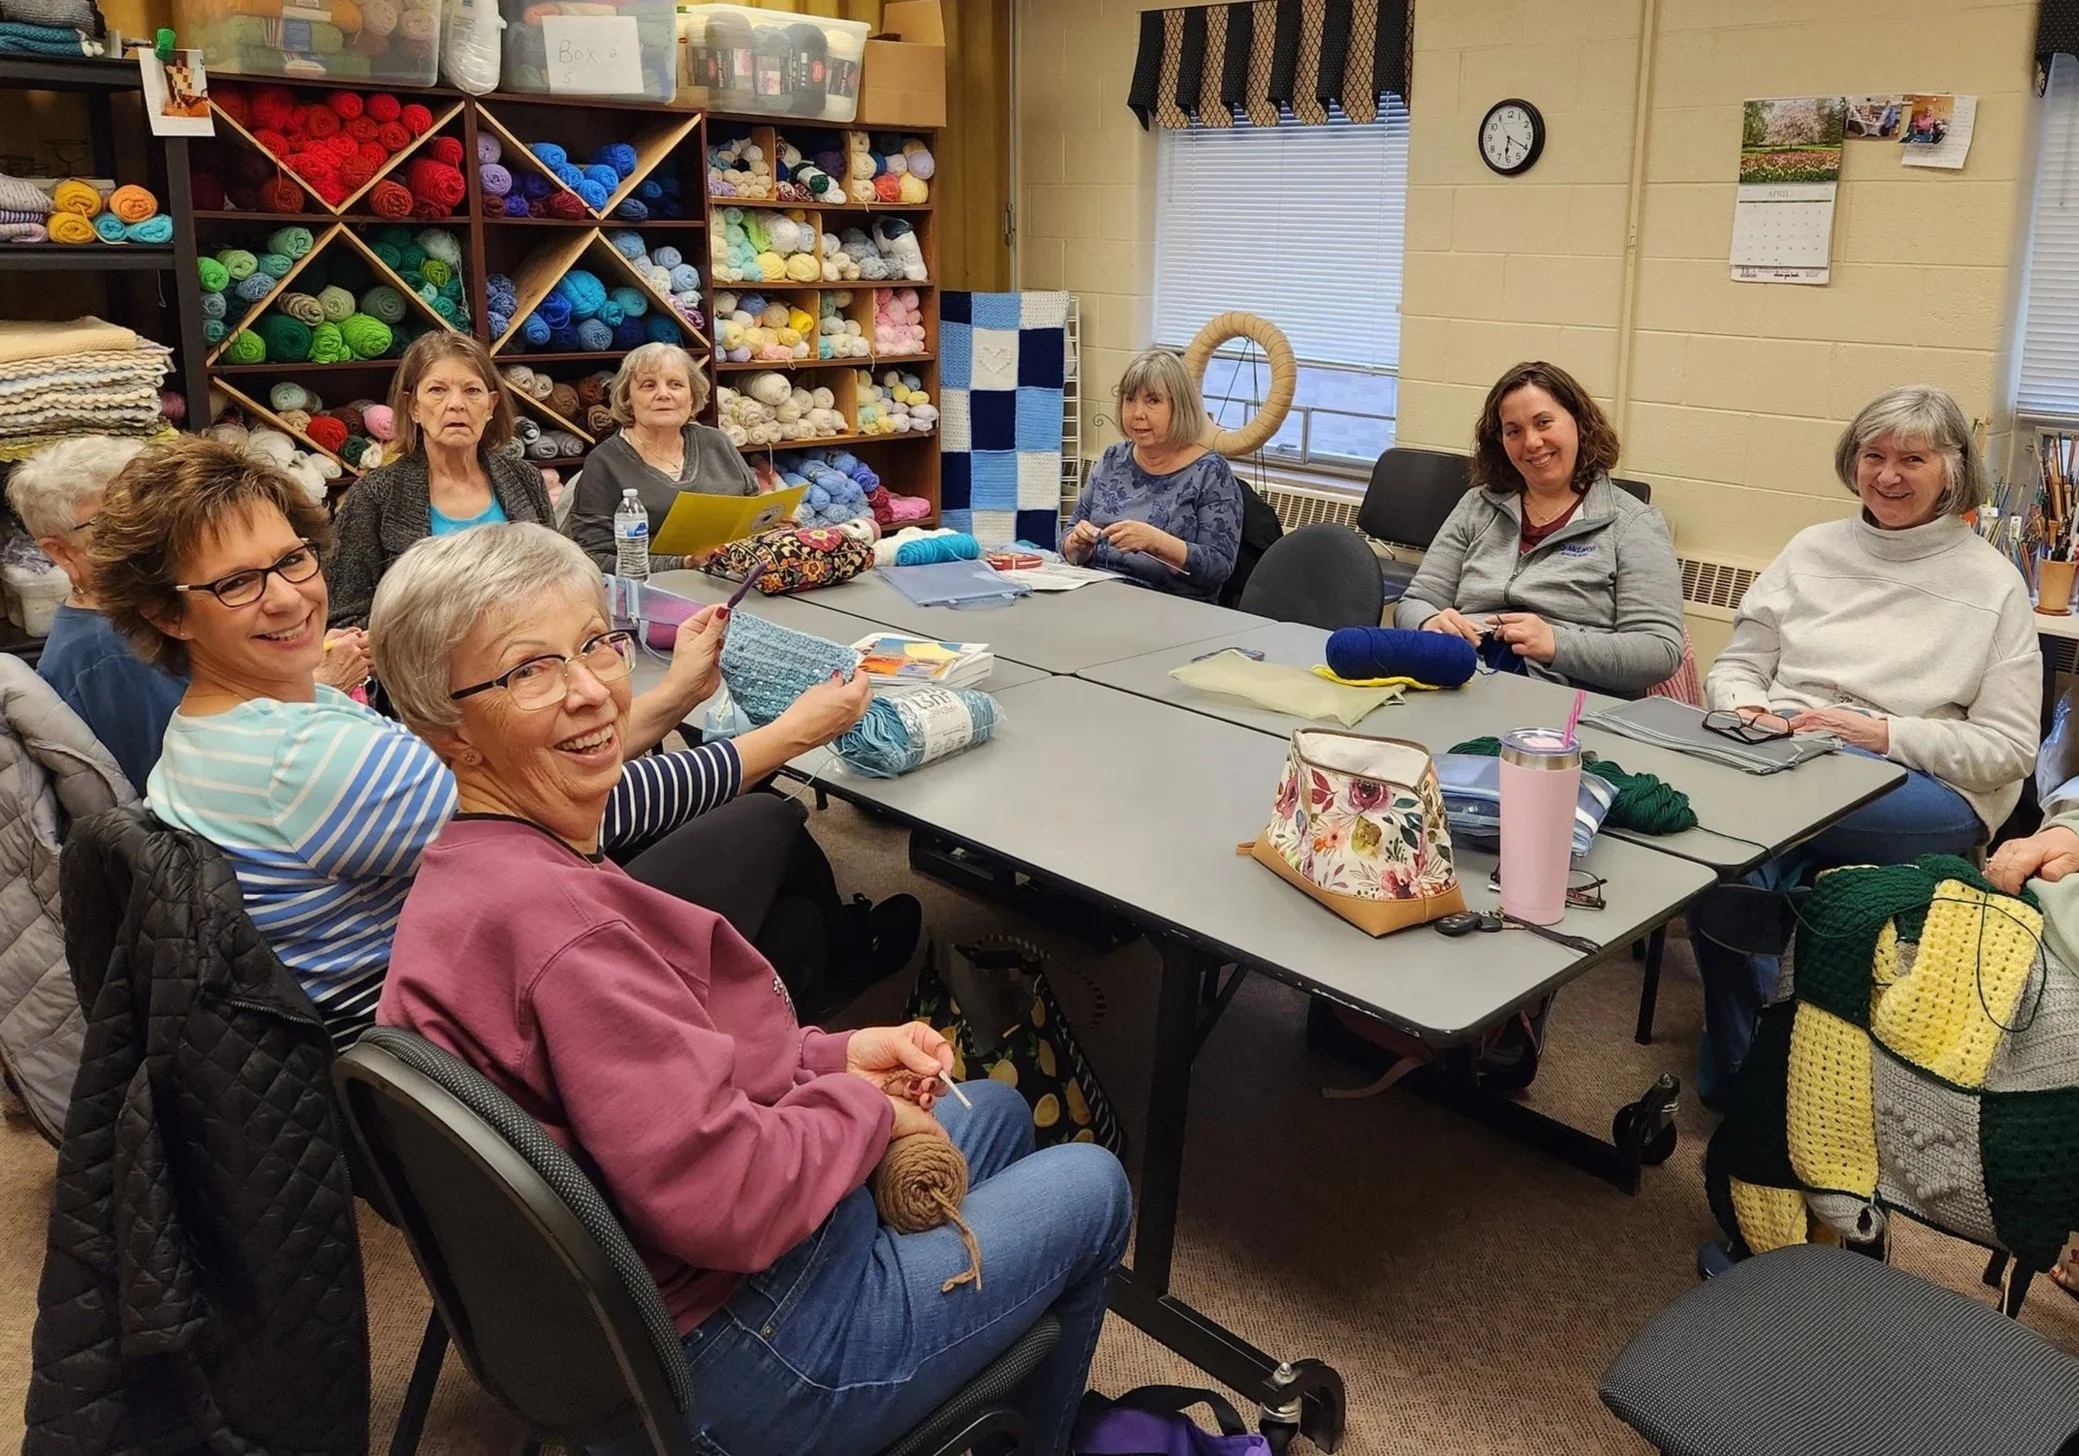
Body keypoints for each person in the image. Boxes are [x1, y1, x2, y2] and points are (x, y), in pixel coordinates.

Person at [371, 522, 1132, 1456]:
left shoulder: (477, 870)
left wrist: (832, 1054)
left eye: (593, 644)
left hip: (652, 1297)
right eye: (528, 670)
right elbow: (725, 1197)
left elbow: (663, 1074)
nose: (590, 689)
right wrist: (860, 1104)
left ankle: (958, 1358)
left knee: (998, 1120)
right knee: (1093, 1184)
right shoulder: (566, 934)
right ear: (446, 727)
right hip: (743, 1354)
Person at [88, 437, 905, 1044]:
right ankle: (821, 977)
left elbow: (515, 782)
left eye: (293, 559)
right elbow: (566, 811)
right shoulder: (310, 758)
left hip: (416, 973)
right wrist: (791, 735)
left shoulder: (217, 726)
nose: (287, 598)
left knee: (780, 896)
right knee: (765, 821)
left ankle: (823, 957)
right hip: (460, 1019)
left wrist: (673, 700)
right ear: (165, 612)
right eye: (236, 582)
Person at [1692, 385, 2040, 1103]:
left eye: (1911, 458)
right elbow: (1736, 665)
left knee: (1731, 832)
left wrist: (1880, 732)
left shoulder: (1994, 586)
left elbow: (2008, 752)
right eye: (1871, 455)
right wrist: (1749, 709)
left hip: (1919, 788)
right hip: (1782, 756)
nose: (1886, 475)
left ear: (1952, 470)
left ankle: (1750, 1066)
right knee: (1734, 863)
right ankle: (1758, 1074)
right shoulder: (1810, 549)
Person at [4, 434, 369, 789]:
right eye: (110, 523)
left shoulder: (134, 622)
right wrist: (320, 684)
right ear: (60, 552)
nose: (154, 531)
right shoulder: (107, 654)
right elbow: (199, 777)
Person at [1394, 360, 1685, 695]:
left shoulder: (1633, 524)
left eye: (1543, 422)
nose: (1531, 443)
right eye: (1514, 431)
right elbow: (1415, 602)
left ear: (1579, 423)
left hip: (1562, 704)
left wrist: (1555, 643)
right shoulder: (1477, 506)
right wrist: (1429, 622)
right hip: (1461, 682)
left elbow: (1659, 652)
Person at [326, 332, 554, 629]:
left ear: (491, 405)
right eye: (437, 390)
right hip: (424, 669)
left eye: (472, 391)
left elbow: (559, 580)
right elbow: (345, 619)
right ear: (413, 408)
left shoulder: (525, 479)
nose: (456, 404)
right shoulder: (374, 496)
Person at [1062, 348, 1242, 601]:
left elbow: (1219, 567)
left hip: (1171, 609)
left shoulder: (1210, 472)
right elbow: (1069, 536)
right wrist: (1075, 544)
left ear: (1180, 407)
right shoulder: (1113, 458)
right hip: (1099, 597)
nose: (1137, 414)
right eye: (1129, 399)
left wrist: (1157, 542)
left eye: (1153, 401)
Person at [567, 341, 757, 573]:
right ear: (628, 398)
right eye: (648, 386)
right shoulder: (605, 462)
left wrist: (775, 527)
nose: (664, 394)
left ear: (691, 396)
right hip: (653, 594)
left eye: (675, 384)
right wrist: (683, 563)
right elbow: (593, 558)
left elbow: (754, 515)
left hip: (735, 582)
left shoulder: (716, 442)